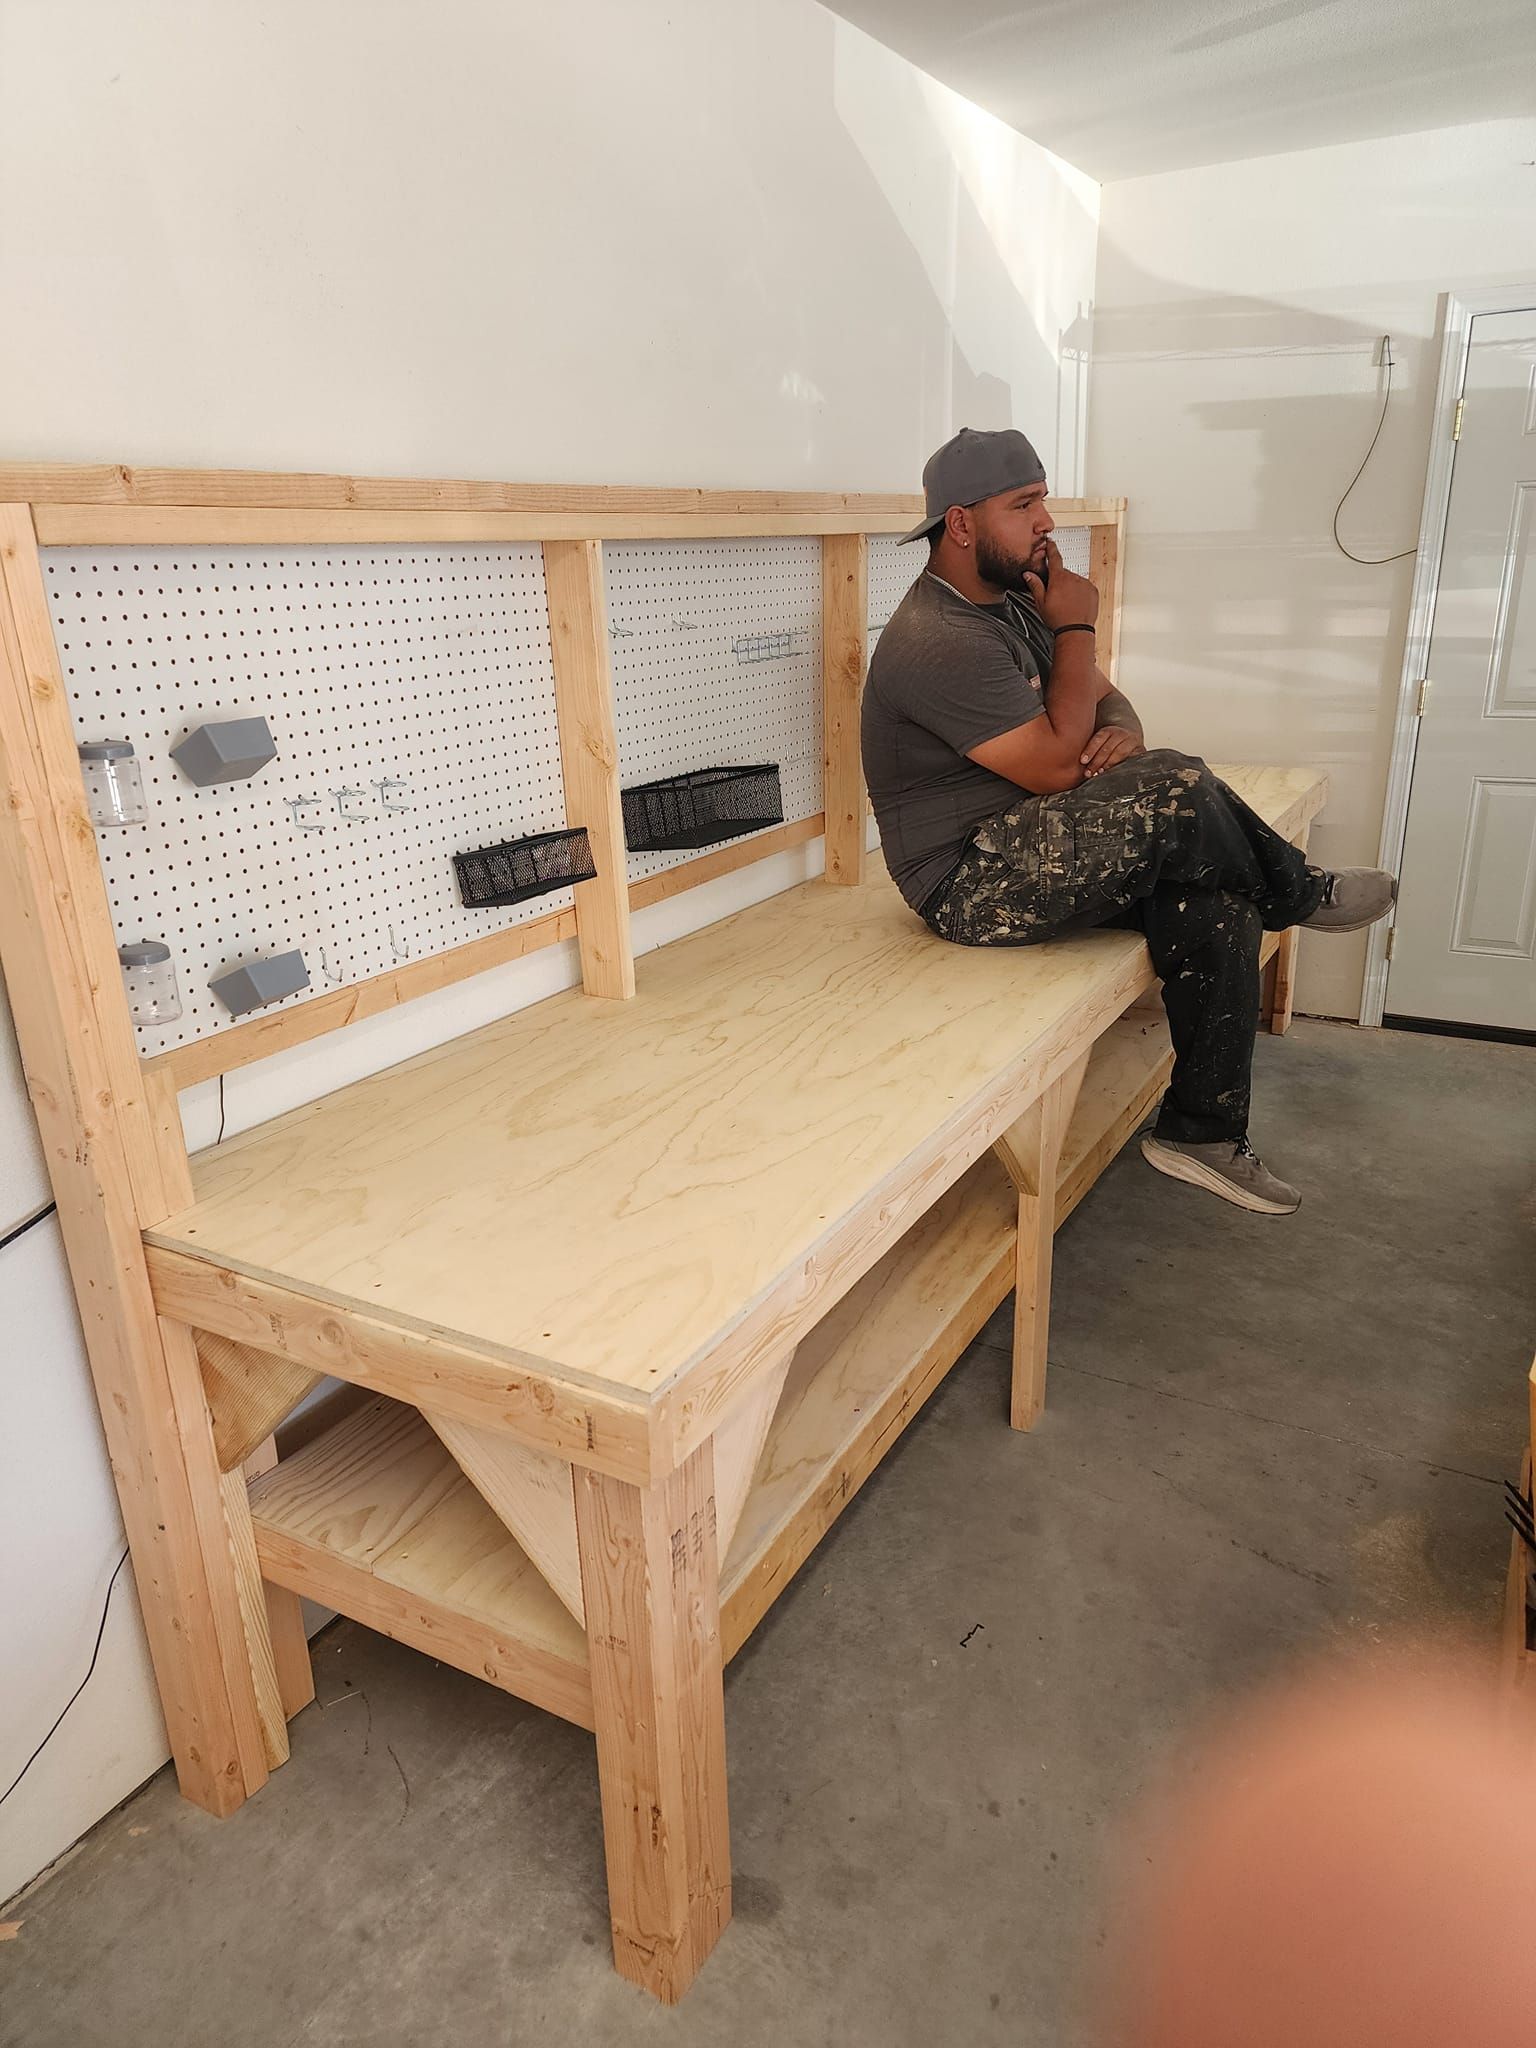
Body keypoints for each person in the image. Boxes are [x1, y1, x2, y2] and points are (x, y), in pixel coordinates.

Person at [861, 426, 1396, 1215]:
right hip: (970, 877)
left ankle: (1200, 1133)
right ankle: (1301, 891)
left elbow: (1104, 701)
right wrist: (1077, 627)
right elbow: (1050, 762)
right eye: (1025, 505)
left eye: (1042, 500)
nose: (1047, 521)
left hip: (1046, 834)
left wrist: (1121, 734)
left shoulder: (1014, 601)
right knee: (1175, 782)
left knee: (1217, 901)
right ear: (963, 523)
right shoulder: (935, 637)